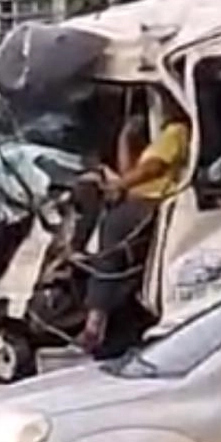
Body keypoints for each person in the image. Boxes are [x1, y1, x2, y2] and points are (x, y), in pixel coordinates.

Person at [77, 92, 192, 352]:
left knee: (111, 244)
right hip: (136, 198)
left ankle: (95, 318)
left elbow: (152, 169)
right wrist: (126, 138)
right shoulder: (158, 138)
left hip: (147, 204)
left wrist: (120, 184)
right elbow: (132, 172)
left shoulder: (176, 132)